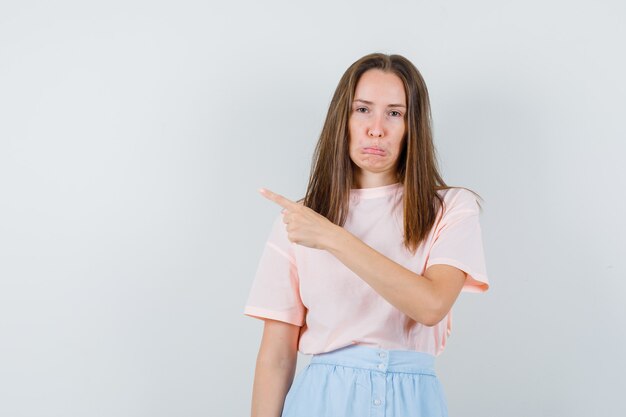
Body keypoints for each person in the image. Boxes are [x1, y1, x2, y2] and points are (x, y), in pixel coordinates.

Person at [243, 52, 490, 417]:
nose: (377, 128)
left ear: (412, 126)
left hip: (413, 400)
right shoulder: (298, 221)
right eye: (362, 110)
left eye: (394, 113)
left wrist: (332, 237)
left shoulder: (452, 207)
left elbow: (431, 305)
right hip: (321, 400)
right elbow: (277, 356)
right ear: (342, 119)